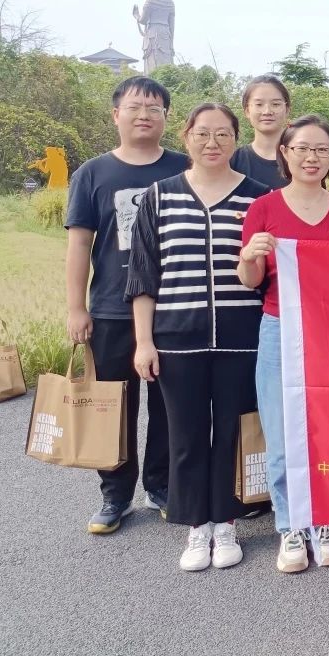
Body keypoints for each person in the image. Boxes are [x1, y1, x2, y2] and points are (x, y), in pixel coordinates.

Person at [126, 103, 269, 570]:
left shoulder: (258, 198)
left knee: (231, 431)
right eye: (203, 133)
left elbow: (270, 273)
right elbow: (143, 274)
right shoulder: (159, 196)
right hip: (176, 338)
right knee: (184, 435)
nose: (212, 143)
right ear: (186, 136)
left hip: (242, 337)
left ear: (236, 139)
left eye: (223, 134)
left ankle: (225, 521)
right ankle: (195, 527)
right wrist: (144, 341)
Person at [238, 114, 329, 573]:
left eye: (321, 149)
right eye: (302, 148)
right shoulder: (264, 208)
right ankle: (290, 525)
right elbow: (250, 278)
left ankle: (324, 520)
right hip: (280, 328)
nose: (312, 157)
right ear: (285, 153)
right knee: (282, 432)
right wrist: (250, 255)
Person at [64, 76, 188, 534]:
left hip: (174, 308)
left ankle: (161, 485)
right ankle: (115, 494)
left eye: (154, 109)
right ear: (116, 114)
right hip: (111, 310)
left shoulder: (183, 167)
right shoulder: (93, 173)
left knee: (168, 405)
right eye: (135, 107)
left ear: (166, 117)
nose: (144, 115)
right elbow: (80, 244)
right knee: (113, 405)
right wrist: (76, 308)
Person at [230, 74, 291, 189]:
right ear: (247, 111)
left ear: (287, 109)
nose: (267, 111)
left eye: (276, 104)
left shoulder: (301, 158)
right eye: (259, 104)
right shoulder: (233, 161)